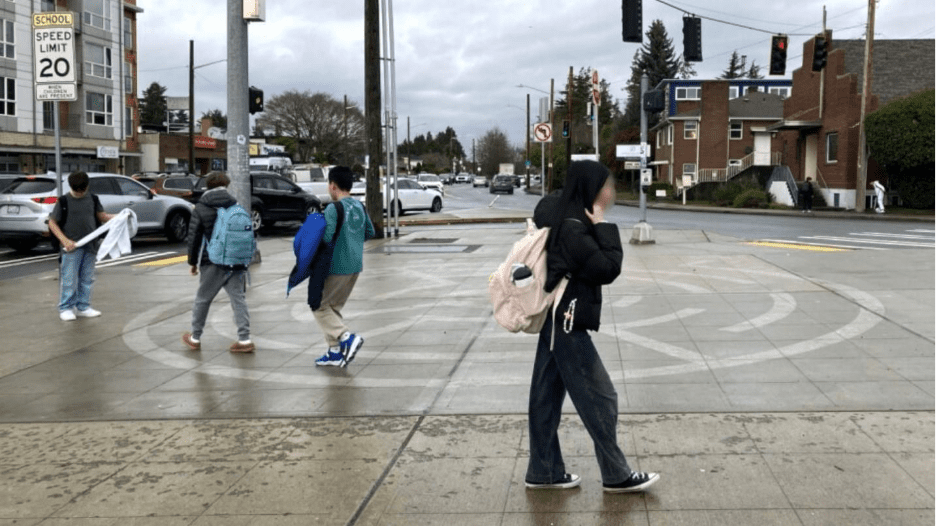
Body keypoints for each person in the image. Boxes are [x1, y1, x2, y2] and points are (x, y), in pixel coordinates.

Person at [525, 160, 659, 493]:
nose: (611, 191)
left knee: (545, 397)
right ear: (590, 189)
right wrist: (603, 225)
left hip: (556, 320)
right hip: (567, 322)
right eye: (605, 186)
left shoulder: (564, 215)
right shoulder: (574, 226)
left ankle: (543, 472)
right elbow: (607, 268)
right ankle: (616, 474)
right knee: (601, 398)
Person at [181, 172, 254, 353]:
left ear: (208, 185)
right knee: (238, 298)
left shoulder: (201, 207)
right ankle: (244, 339)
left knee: (203, 299)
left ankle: (195, 337)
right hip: (235, 260)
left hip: (212, 261)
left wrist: (192, 263)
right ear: (226, 185)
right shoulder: (235, 204)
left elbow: (194, 237)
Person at [313, 166, 376, 367]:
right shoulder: (359, 206)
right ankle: (334, 352)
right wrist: (352, 242)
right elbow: (370, 231)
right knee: (333, 307)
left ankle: (345, 337)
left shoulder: (333, 208)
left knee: (319, 305)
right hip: (355, 265)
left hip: (336, 266)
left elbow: (326, 237)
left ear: (333, 186)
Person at [48, 171, 115, 321]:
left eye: (82, 190)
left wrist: (121, 216)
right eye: (76, 190)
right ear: (71, 186)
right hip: (71, 247)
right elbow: (52, 222)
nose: (79, 193)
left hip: (90, 245)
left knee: (87, 278)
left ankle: (83, 306)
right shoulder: (63, 201)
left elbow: (102, 216)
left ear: (87, 187)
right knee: (69, 279)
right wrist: (64, 240)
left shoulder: (93, 199)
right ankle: (65, 308)